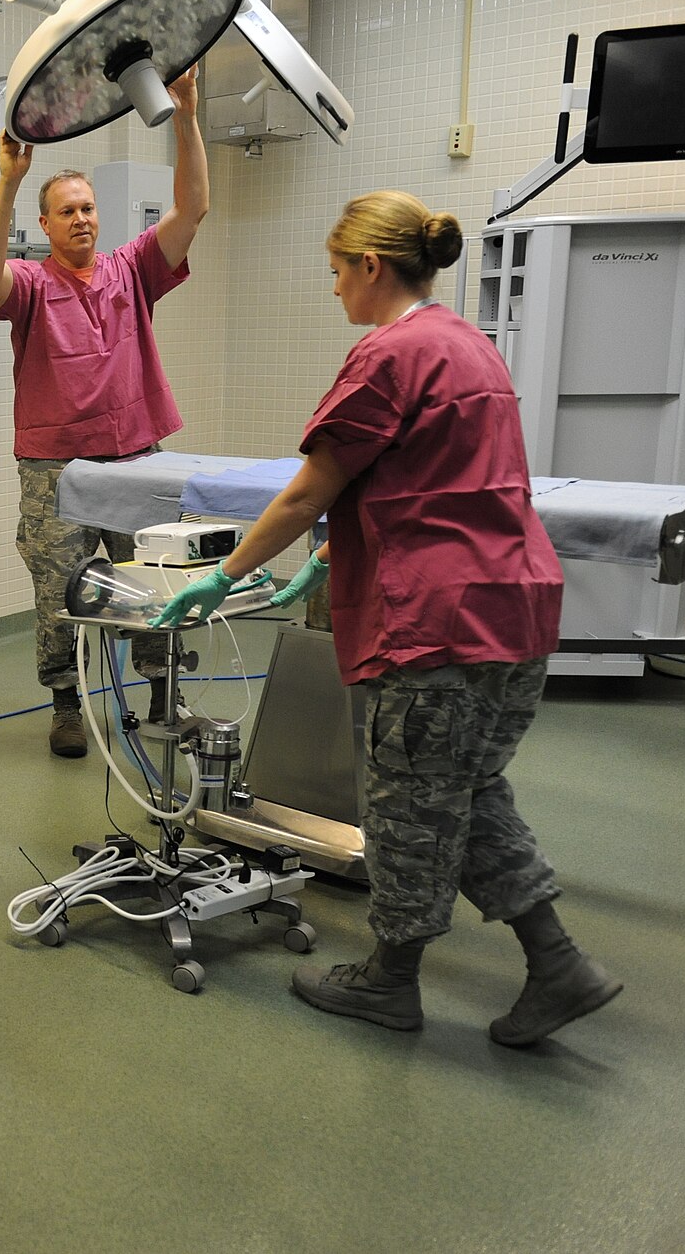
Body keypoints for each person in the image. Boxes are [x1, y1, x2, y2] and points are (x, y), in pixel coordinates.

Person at [150, 190, 622, 1047]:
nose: (333, 291)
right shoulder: (470, 346)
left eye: (336, 273)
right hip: (513, 612)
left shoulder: (387, 354)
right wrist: (326, 567)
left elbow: (309, 491)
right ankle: (559, 967)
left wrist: (223, 577)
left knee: (407, 803)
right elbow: (426, 484)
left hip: (436, 625)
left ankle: (387, 982)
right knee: (466, 794)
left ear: (371, 266)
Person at [0, 65, 208, 760]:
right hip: (56, 469)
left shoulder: (132, 270)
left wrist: (187, 114)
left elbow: (192, 209)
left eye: (88, 207)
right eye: (67, 210)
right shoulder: (32, 285)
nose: (82, 218)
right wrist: (10, 179)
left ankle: (165, 689)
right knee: (60, 590)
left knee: (156, 580)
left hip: (136, 459)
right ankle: (66, 704)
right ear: (43, 225)